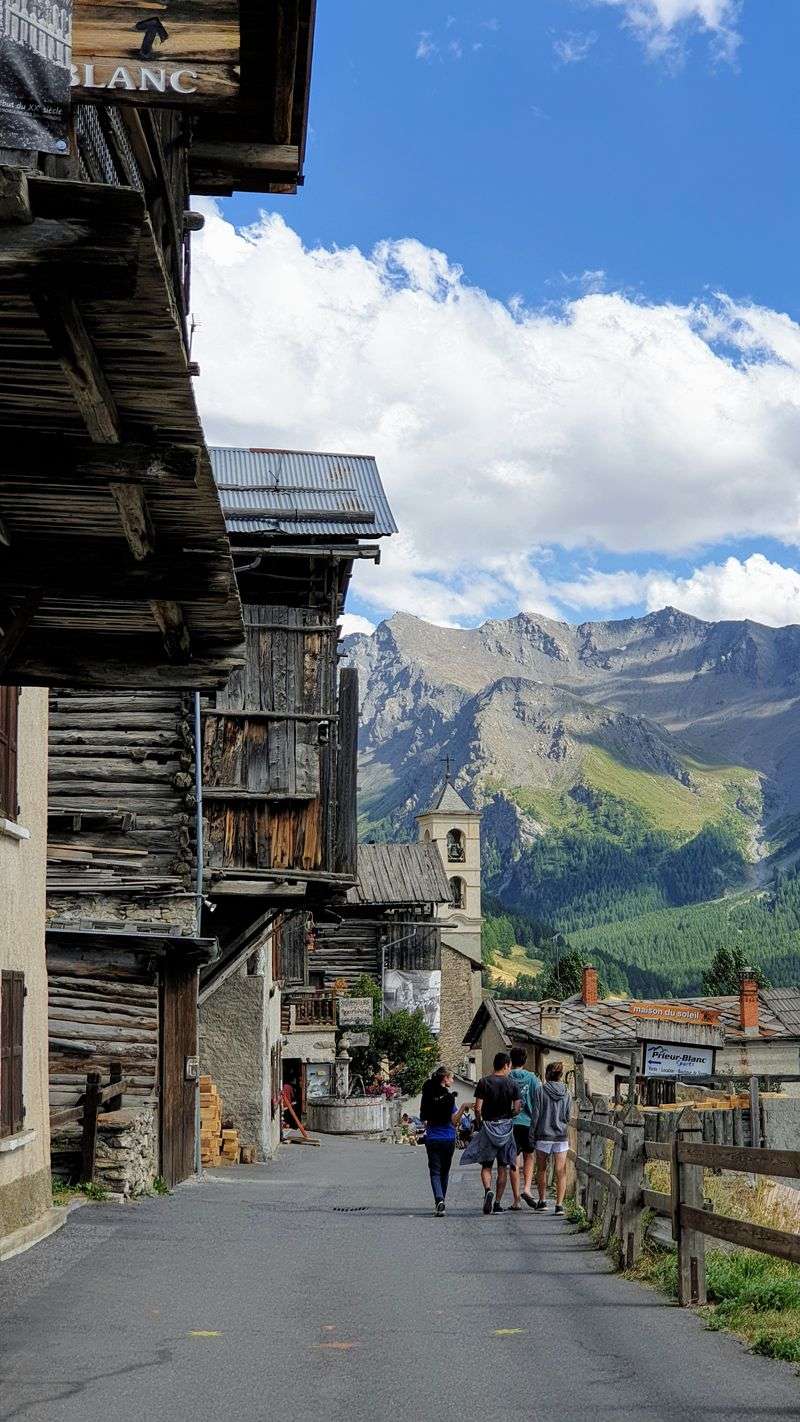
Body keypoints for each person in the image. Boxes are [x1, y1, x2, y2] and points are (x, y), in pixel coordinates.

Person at [460, 1052, 521, 1214]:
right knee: (503, 1167)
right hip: (506, 1128)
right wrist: (510, 1115)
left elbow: (478, 1108)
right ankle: (498, 1203)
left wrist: (480, 1122)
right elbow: (517, 1108)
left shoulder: (483, 1082)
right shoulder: (512, 1084)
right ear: (507, 1065)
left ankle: (488, 1190)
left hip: (488, 1127)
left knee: (486, 1165)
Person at [419, 1066, 468, 1215]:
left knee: (434, 1172)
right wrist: (464, 1107)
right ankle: (442, 1201)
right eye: (451, 1078)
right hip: (448, 1139)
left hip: (433, 1138)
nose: (452, 1080)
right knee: (444, 1172)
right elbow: (454, 1121)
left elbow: (424, 1119)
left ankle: (439, 1200)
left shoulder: (427, 1096)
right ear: (444, 1079)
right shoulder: (449, 1099)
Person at [532, 1061, 573, 1215]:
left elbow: (536, 1115)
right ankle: (559, 1205)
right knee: (560, 1170)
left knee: (542, 1169)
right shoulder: (567, 1093)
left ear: (547, 1075)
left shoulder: (540, 1091)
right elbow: (568, 1116)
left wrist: (532, 1133)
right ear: (560, 1076)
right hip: (561, 1136)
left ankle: (542, 1201)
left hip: (543, 1134)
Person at [508, 1045, 541, 1209]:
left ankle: (516, 1200)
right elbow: (537, 1102)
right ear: (525, 1060)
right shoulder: (532, 1078)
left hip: (511, 1123)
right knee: (529, 1156)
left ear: (510, 1060)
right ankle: (527, 1189)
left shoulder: (507, 1078)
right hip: (528, 1122)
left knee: (513, 1160)